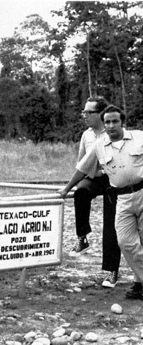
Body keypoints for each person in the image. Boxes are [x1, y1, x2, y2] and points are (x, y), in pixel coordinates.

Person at [59, 105, 143, 300]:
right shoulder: (99, 144)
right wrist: (66, 188)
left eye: (115, 121)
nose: (112, 125)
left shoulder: (139, 137)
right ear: (104, 125)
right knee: (124, 241)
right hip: (121, 198)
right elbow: (82, 168)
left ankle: (139, 283)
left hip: (142, 192)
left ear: (122, 122)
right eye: (108, 122)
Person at [69, 96, 121, 288]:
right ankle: (82, 237)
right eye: (83, 112)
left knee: (111, 224)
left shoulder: (113, 132)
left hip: (113, 180)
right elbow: (81, 163)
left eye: (88, 112)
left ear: (100, 114)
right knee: (80, 192)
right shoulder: (86, 135)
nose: (84, 115)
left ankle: (111, 272)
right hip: (93, 177)